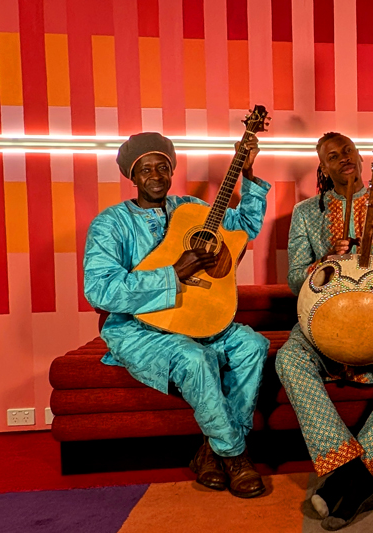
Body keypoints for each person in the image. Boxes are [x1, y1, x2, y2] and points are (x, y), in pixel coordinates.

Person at [83, 132, 271, 498]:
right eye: (146, 169)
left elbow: (245, 228)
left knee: (252, 344)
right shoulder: (111, 224)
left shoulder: (190, 207)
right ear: (132, 177)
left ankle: (210, 452)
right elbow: (100, 290)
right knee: (193, 357)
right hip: (140, 329)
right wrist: (173, 273)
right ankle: (235, 455)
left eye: (162, 167)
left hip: (199, 316)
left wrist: (247, 175)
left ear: (171, 171)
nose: (156, 175)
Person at [275, 133, 373, 530]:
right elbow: (296, 280)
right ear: (324, 169)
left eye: (348, 150)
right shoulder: (306, 213)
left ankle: (348, 481)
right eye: (332, 156)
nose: (343, 157)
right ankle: (356, 474)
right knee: (288, 358)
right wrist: (328, 259)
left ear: (362, 158)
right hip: (322, 328)